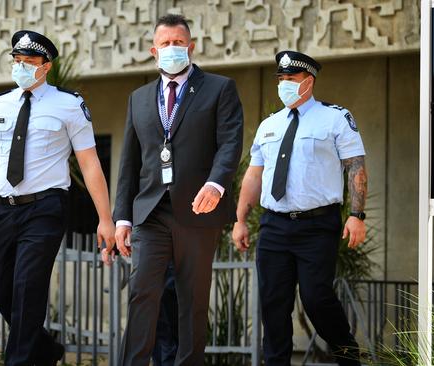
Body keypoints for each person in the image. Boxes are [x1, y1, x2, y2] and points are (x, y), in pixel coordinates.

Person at [0, 30, 115, 366]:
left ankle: (20, 361)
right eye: (17, 60)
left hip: (45, 209)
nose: (21, 67)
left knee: (28, 285)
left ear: (46, 66)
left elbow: (89, 164)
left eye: (29, 61)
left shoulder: (69, 105)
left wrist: (105, 219)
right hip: (2, 210)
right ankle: (45, 349)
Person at [111, 14, 243, 365]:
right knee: (141, 295)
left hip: (198, 210)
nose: (173, 49)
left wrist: (216, 184)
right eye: (166, 44)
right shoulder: (139, 98)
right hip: (151, 212)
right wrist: (122, 218)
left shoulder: (219, 88)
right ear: (154, 51)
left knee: (192, 302)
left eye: (179, 42)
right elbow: (130, 163)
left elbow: (230, 143)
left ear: (192, 46)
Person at [232, 51, 367, 366]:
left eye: (290, 79)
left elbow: (356, 167)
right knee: (273, 304)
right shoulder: (269, 125)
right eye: (280, 79)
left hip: (317, 226)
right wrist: (240, 219)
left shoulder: (335, 118)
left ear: (309, 82)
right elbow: (254, 175)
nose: (284, 85)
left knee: (317, 299)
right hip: (274, 226)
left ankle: (349, 358)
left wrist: (356, 215)